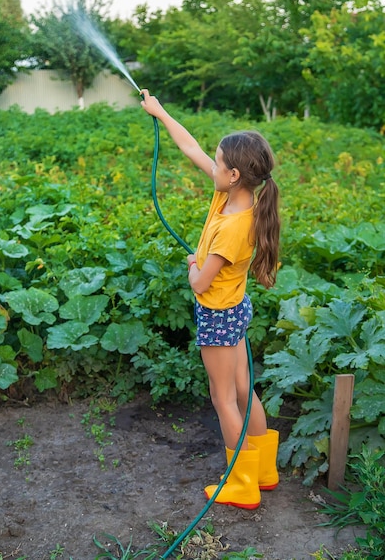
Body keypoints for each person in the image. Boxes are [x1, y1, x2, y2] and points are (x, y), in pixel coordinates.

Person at [140, 89, 281, 510]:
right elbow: (190, 148)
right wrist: (160, 111)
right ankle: (265, 471)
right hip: (235, 310)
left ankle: (241, 484)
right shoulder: (237, 199)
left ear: (234, 174)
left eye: (218, 163)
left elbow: (200, 284)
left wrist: (192, 262)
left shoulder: (232, 227)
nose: (212, 165)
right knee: (243, 389)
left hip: (218, 315)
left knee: (223, 398)